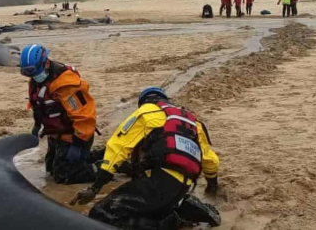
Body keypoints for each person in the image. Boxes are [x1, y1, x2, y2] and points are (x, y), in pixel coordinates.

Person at [71, 87, 220, 230]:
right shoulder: (193, 122)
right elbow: (211, 161)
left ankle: (172, 222)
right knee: (150, 208)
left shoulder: (145, 112)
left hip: (159, 180)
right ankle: (180, 207)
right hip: (184, 185)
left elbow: (117, 147)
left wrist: (95, 187)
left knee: (102, 214)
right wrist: (212, 186)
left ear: (143, 102)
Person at [20, 44, 98, 184]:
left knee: (64, 176)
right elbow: (38, 106)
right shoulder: (36, 80)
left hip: (76, 135)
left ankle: (105, 168)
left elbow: (84, 115)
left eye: (35, 73)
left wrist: (78, 144)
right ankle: (91, 157)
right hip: (56, 135)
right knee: (50, 170)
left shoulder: (66, 85)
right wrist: (37, 126)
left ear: (47, 63)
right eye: (29, 74)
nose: (33, 77)